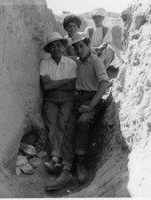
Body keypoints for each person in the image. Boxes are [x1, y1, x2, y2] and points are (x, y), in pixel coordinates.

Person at [45, 32, 110, 191]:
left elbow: (104, 84)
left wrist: (91, 106)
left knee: (83, 121)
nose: (79, 49)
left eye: (81, 46)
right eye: (76, 47)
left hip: (92, 100)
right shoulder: (77, 63)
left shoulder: (96, 62)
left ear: (88, 45)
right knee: (68, 123)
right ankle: (66, 170)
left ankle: (81, 163)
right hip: (78, 100)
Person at [40, 32, 77, 175]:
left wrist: (54, 83)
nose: (55, 48)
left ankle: (55, 158)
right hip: (50, 99)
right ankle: (58, 160)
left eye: (58, 45)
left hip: (67, 98)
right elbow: (46, 87)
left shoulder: (71, 63)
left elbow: (72, 85)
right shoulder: (45, 63)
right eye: (52, 46)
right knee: (51, 125)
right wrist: (65, 82)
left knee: (63, 123)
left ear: (63, 47)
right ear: (49, 49)